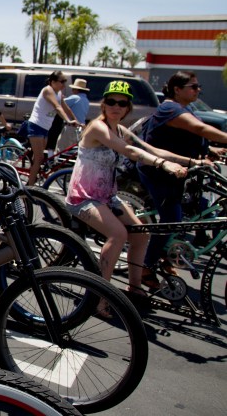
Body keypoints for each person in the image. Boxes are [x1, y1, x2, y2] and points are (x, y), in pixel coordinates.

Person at [65, 80, 188, 314]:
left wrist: (192, 162)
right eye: (111, 101)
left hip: (107, 197)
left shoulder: (120, 130)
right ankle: (99, 295)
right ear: (103, 104)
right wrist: (164, 166)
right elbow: (130, 151)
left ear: (128, 108)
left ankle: (135, 288)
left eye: (122, 103)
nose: (116, 106)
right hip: (84, 197)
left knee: (142, 234)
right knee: (118, 234)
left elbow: (149, 149)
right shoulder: (97, 127)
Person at [137, 70, 227, 288]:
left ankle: (164, 254)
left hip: (180, 171)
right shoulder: (170, 107)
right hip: (160, 172)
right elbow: (200, 128)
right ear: (177, 89)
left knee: (191, 210)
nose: (198, 90)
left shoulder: (185, 108)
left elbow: (191, 136)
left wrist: (211, 150)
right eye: (193, 87)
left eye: (199, 86)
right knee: (171, 220)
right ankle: (146, 266)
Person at [26, 70, 79, 185]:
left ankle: (31, 177)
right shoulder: (48, 90)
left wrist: (77, 121)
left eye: (65, 81)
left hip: (45, 128)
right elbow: (57, 107)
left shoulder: (59, 93)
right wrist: (68, 120)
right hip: (36, 125)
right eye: (62, 81)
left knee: (38, 158)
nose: (64, 84)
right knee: (39, 158)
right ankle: (29, 188)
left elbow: (66, 108)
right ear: (53, 81)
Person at [56, 78, 91, 152]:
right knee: (73, 151)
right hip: (80, 128)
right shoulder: (86, 100)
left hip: (71, 127)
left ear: (77, 90)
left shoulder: (75, 98)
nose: (72, 91)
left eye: (73, 89)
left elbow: (59, 103)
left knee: (61, 149)